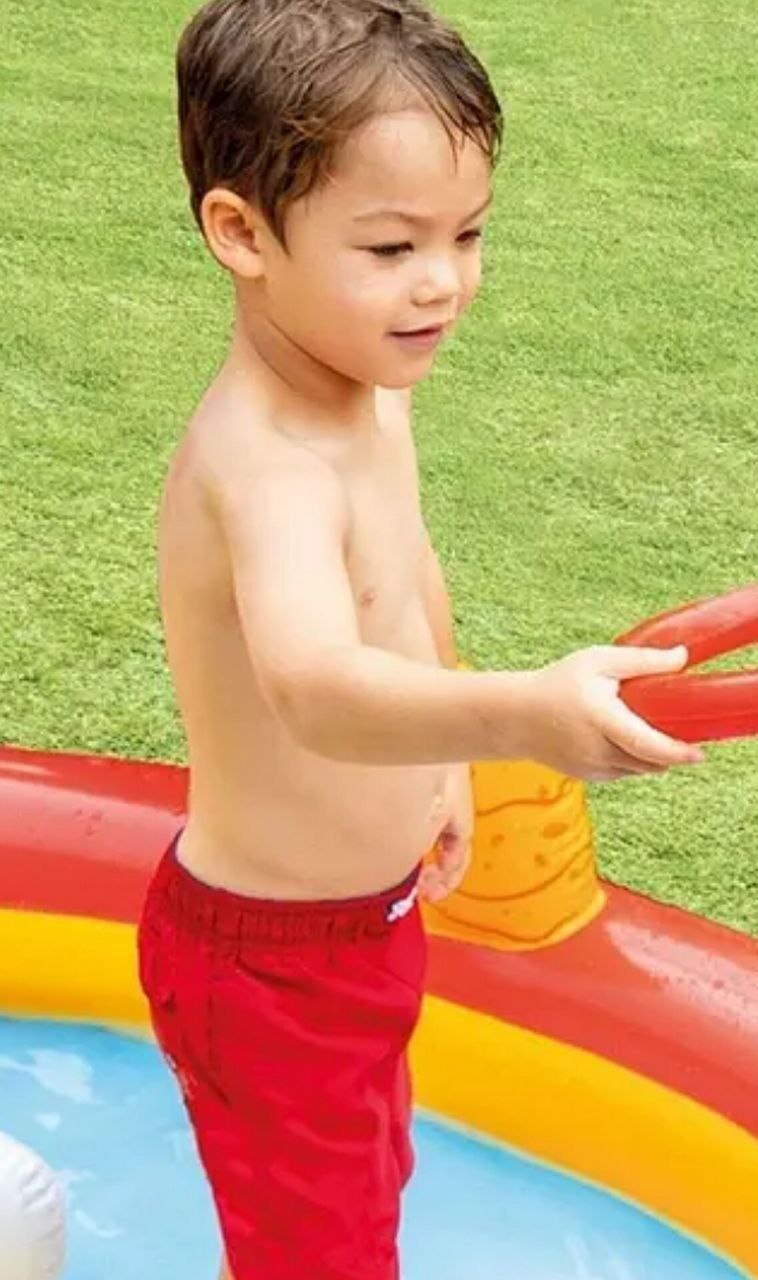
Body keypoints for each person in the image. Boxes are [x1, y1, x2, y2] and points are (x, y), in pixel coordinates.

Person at [140, 3, 703, 1277]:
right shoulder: (269, 465)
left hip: (368, 920)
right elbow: (314, 685)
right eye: (392, 245)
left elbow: (404, 579)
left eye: (467, 233)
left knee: (354, 1200)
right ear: (242, 233)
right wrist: (520, 718)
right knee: (320, 1251)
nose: (441, 279)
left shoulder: (369, 396)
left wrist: (443, 764)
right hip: (266, 965)